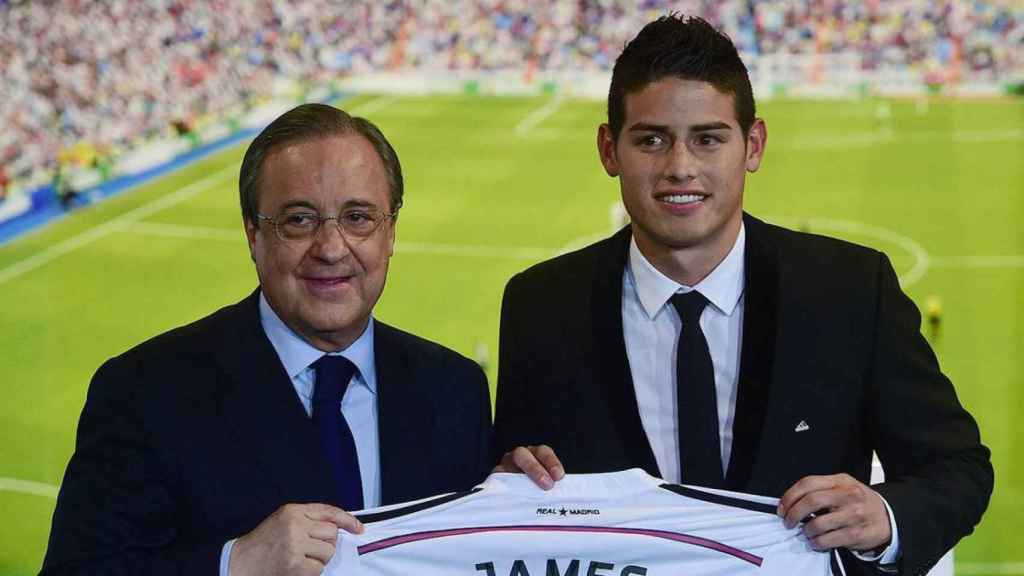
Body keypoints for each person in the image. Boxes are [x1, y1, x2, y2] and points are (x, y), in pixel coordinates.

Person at [493, 15, 992, 576]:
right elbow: (512, 485)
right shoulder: (540, 306)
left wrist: (887, 515)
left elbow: (958, 468)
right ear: (610, 150)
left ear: (752, 145)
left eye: (708, 138)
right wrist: (506, 481)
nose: (680, 168)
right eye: (651, 139)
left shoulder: (851, 291)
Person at [42, 103, 495, 576]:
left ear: (391, 232)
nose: (332, 248)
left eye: (358, 217)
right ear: (253, 234)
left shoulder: (455, 389)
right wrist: (232, 564)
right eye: (299, 220)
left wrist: (524, 499)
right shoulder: (143, 393)